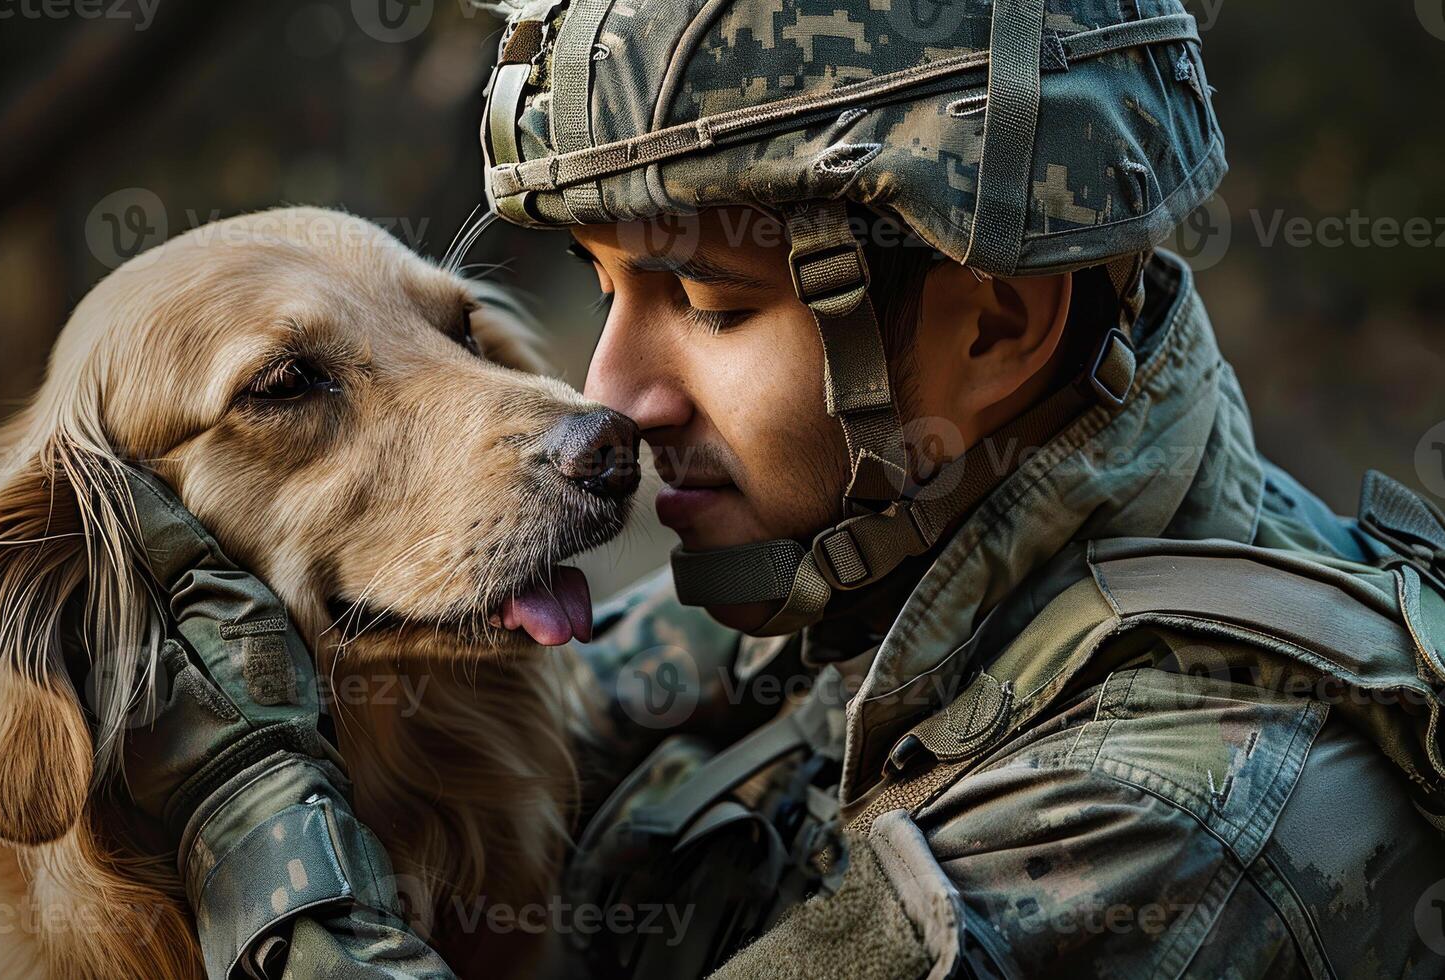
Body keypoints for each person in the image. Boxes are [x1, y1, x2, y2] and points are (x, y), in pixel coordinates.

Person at [120, 0, 1445, 977]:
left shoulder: (1165, 813)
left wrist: (251, 814)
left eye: (705, 301)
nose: (613, 394)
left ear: (989, 329)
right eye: (602, 286)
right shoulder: (873, 576)